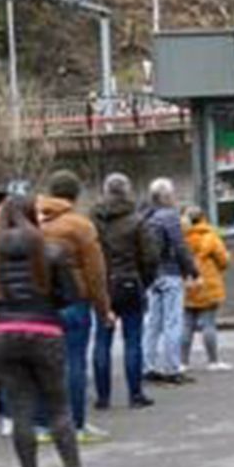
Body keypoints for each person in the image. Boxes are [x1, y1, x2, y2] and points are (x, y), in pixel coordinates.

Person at [0, 193, 104, 467]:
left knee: (21, 409)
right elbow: (68, 296)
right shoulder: (52, 252)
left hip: (3, 334)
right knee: (58, 406)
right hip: (44, 331)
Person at [37, 171, 115, 443]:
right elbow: (96, 273)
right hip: (73, 302)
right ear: (76, 195)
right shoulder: (80, 226)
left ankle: (44, 426)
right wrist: (103, 309)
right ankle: (76, 425)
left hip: (39, 304)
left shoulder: (32, 222)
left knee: (44, 365)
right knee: (74, 362)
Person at [91, 173, 154, 409]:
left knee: (101, 341)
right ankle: (135, 393)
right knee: (133, 340)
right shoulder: (136, 221)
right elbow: (150, 256)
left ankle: (103, 396)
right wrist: (144, 281)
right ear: (127, 191)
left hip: (103, 283)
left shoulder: (93, 220)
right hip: (129, 282)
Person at [141, 178, 199, 386]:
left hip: (151, 275)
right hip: (170, 273)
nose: (175, 197)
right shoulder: (169, 217)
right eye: (173, 194)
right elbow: (180, 246)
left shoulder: (146, 216)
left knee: (153, 323)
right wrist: (192, 271)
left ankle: (148, 366)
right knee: (173, 321)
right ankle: (172, 368)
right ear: (166, 196)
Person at [181, 207, 233, 371]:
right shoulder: (210, 237)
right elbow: (223, 261)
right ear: (203, 218)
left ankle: (183, 362)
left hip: (187, 283)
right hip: (207, 283)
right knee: (208, 324)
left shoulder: (181, 238)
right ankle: (213, 361)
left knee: (187, 324)